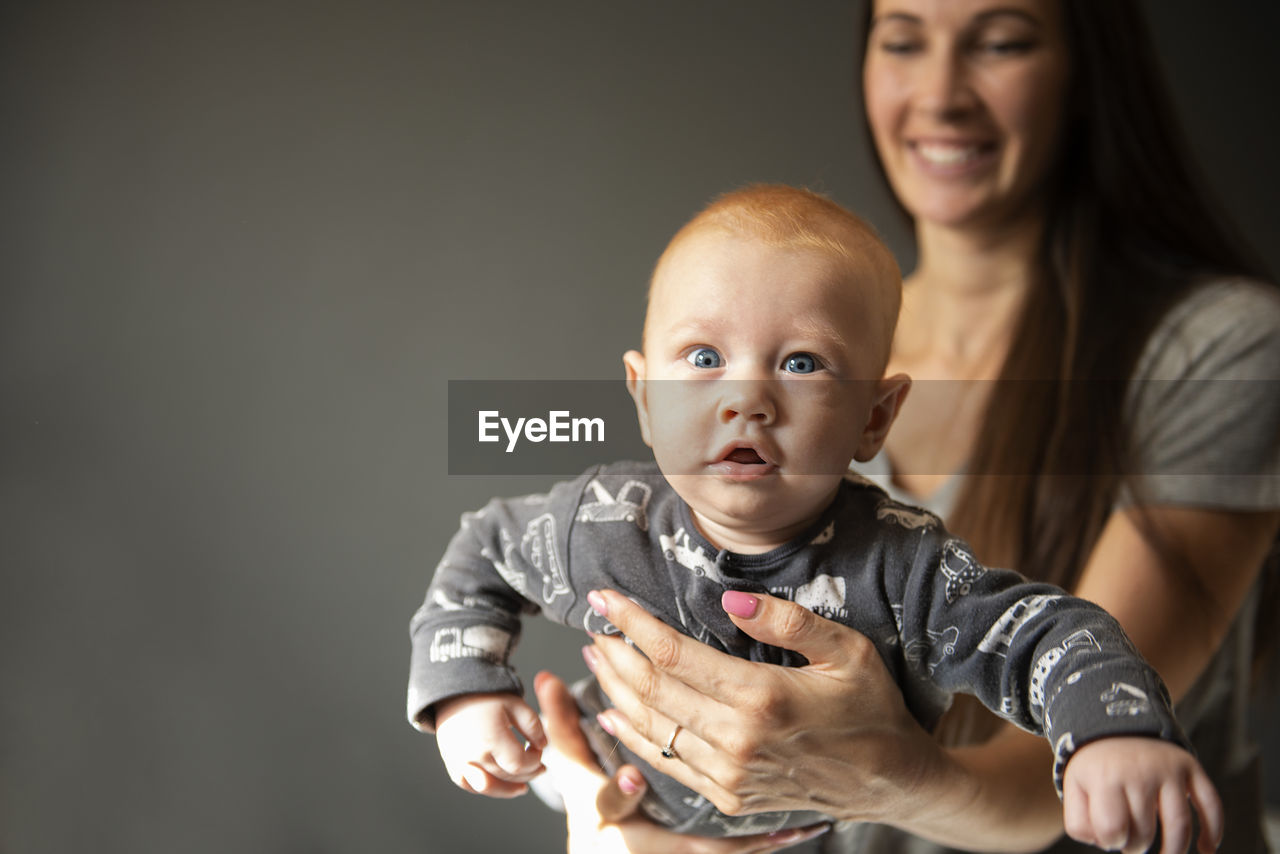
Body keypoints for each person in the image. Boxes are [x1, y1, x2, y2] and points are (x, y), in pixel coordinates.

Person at [540, 1, 1280, 853]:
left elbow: (1052, 788)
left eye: (1000, 43)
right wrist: (639, 812)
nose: (940, 94)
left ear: (1086, 74)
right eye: (903, 40)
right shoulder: (795, 331)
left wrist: (881, 774)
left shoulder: (1222, 350)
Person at [407, 185, 1222, 848]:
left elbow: (1052, 631)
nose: (746, 401)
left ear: (875, 416)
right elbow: (483, 551)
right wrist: (465, 695)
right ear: (643, 394)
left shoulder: (904, 570)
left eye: (801, 363)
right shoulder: (604, 523)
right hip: (609, 788)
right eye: (703, 359)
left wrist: (1113, 733)